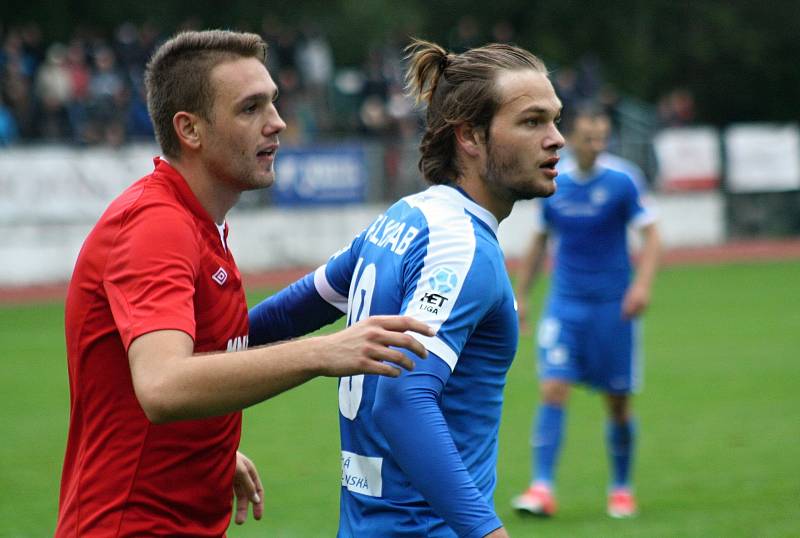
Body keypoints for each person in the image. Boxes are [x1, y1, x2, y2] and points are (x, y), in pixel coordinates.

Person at [55, 30, 434, 538]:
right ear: (190, 130)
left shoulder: (198, 223)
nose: (277, 123)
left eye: (273, 102)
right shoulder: (156, 226)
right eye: (250, 108)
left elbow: (192, 361)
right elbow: (163, 385)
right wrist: (322, 353)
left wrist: (207, 448)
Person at [249, 38, 565, 537]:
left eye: (554, 119)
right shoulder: (463, 248)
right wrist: (488, 531)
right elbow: (401, 400)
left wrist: (187, 363)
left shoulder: (400, 220)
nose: (556, 138)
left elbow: (276, 320)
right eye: (532, 121)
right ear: (470, 137)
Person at [511, 103, 661, 519]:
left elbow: (651, 235)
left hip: (614, 308)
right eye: (589, 137)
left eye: (602, 137)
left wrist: (641, 286)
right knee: (553, 388)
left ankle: (621, 487)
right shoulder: (553, 181)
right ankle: (542, 487)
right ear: (570, 137)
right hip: (565, 304)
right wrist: (521, 294)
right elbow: (541, 241)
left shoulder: (622, 180)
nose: (597, 144)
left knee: (617, 402)